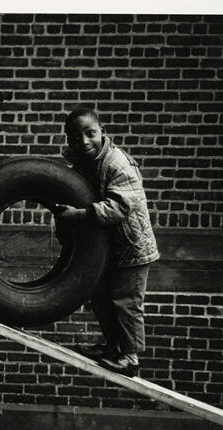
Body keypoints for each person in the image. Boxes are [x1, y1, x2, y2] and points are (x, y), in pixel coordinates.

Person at [54, 106, 159, 377]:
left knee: (126, 302)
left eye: (90, 134)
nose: (84, 142)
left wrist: (79, 215)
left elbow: (121, 206)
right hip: (110, 248)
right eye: (76, 137)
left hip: (133, 248)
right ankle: (113, 347)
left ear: (103, 132)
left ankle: (130, 359)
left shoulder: (117, 162)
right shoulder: (83, 164)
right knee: (101, 297)